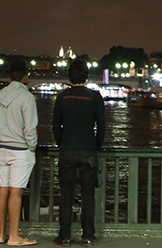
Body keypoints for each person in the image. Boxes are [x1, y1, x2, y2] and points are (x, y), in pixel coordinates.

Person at [51, 60, 105, 247]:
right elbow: (102, 128)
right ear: (86, 76)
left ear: (69, 76)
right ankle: (88, 236)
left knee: (66, 194)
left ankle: (64, 236)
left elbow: (55, 127)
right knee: (88, 195)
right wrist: (95, 146)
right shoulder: (95, 97)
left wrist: (62, 144)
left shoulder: (62, 97)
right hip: (87, 149)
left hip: (67, 149)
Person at [0, 60, 39, 246]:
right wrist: (32, 146)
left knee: (3, 190)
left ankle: (1, 234)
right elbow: (30, 127)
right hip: (20, 150)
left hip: (2, 149)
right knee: (16, 193)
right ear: (25, 77)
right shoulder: (26, 97)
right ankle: (14, 236)